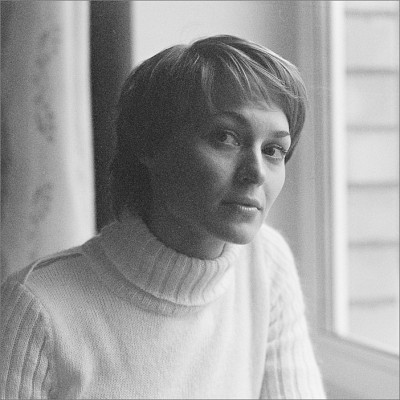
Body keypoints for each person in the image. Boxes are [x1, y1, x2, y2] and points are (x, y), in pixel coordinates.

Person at [1, 35, 326, 399]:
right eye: (226, 137)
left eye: (274, 150)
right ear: (151, 145)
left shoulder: (267, 264)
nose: (256, 173)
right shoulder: (38, 308)